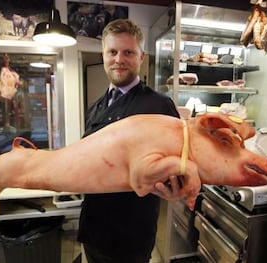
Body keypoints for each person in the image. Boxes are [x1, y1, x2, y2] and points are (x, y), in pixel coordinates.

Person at [78, 19, 181, 263]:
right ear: (103, 55)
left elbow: (179, 164)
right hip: (93, 229)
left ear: (141, 57)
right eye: (112, 52)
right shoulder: (95, 108)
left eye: (128, 52)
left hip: (131, 236)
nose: (119, 59)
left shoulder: (159, 105)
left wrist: (174, 186)